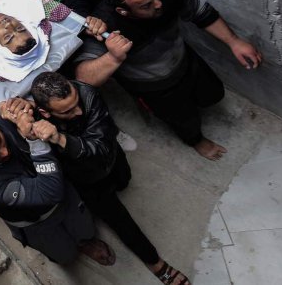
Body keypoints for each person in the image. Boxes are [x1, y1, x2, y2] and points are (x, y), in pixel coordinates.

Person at [75, 0, 263, 160]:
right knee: (183, 120)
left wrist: (233, 41)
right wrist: (113, 57)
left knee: (213, 94)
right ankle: (196, 141)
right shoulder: (104, 25)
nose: (158, 4)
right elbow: (84, 77)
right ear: (123, 11)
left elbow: (200, 10)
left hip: (185, 60)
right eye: (146, 5)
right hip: (154, 87)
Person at [28, 73, 190, 285]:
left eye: (77, 103)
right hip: (86, 180)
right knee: (120, 220)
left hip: (110, 158)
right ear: (44, 112)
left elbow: (100, 146)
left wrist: (60, 138)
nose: (78, 111)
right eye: (67, 111)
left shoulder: (87, 94)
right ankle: (156, 263)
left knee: (124, 180)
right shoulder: (35, 118)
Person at [0, 106, 114, 266]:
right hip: (35, 222)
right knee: (65, 254)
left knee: (85, 228)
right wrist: (34, 142)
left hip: (65, 194)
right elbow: (49, 192)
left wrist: (25, 106)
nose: (4, 152)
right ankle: (72, 249)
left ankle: (86, 242)